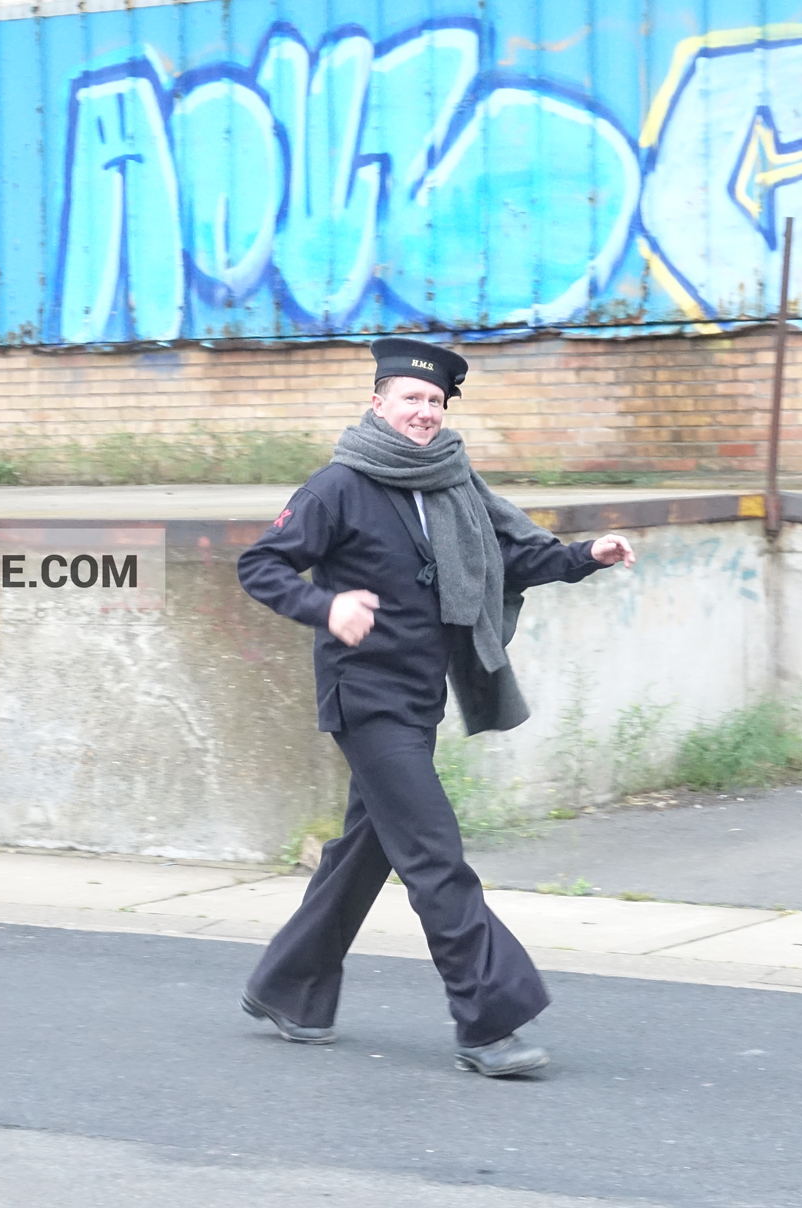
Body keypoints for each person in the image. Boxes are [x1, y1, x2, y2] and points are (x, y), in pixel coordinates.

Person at [235, 336, 636, 1078]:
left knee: (365, 852)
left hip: (422, 699)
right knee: (434, 856)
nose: (424, 412)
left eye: (435, 402)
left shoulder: (454, 483)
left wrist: (587, 556)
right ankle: (488, 1022)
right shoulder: (338, 486)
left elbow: (511, 554)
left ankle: (289, 987)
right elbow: (260, 564)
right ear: (378, 404)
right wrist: (324, 607)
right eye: (411, 399)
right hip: (366, 700)